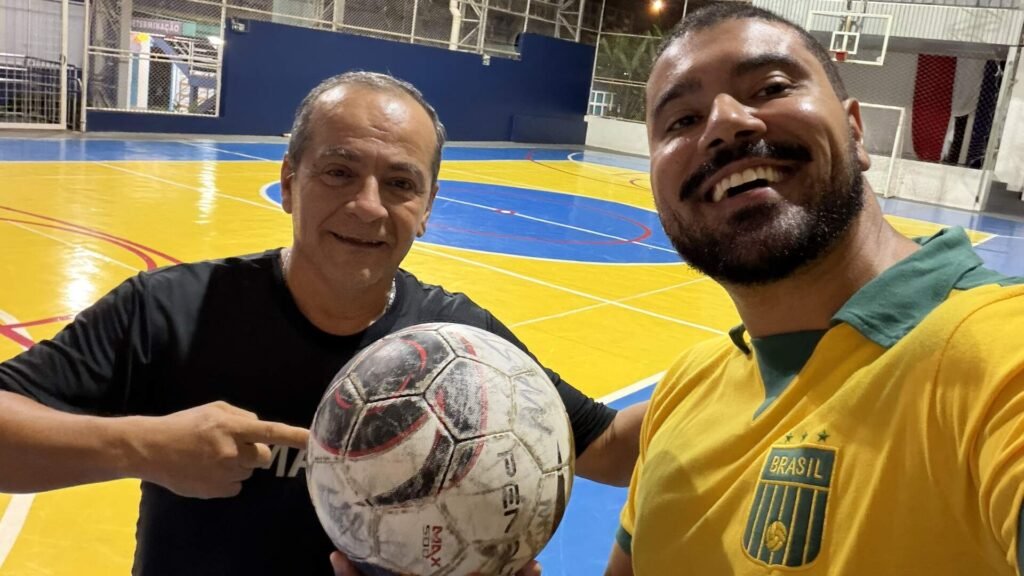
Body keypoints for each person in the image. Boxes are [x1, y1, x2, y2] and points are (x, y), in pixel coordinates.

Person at [0, 71, 645, 576]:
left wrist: (745, 345)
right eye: (339, 172)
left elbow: (610, 448)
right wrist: (140, 447)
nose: (368, 206)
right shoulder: (172, 309)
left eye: (400, 184)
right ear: (288, 181)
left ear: (426, 209)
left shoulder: (460, 347)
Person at [606, 3, 1024, 576]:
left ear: (855, 130)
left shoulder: (998, 351)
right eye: (680, 121)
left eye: (771, 86)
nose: (725, 122)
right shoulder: (687, 385)